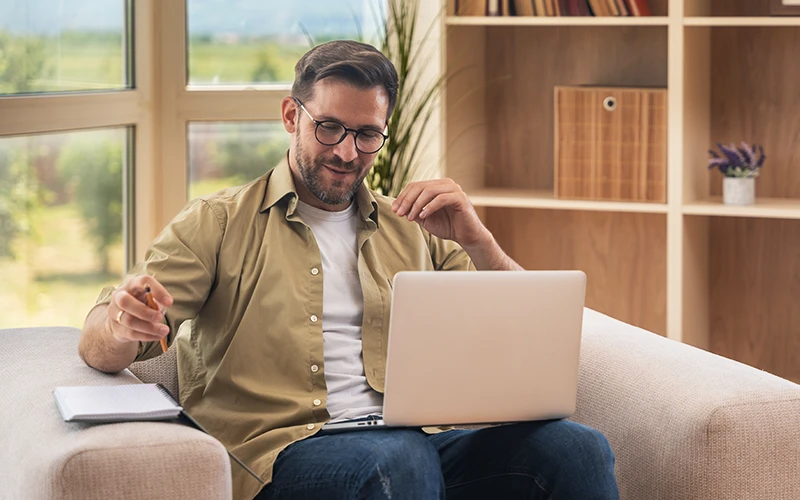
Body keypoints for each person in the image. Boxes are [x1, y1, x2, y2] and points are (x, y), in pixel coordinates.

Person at [79, 40, 619, 500]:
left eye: (367, 135)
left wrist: (479, 241)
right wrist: (121, 325)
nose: (346, 152)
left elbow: (526, 331)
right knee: (400, 459)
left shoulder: (413, 227)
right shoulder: (218, 223)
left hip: (419, 444)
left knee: (576, 448)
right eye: (330, 128)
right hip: (287, 454)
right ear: (292, 117)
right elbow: (102, 342)